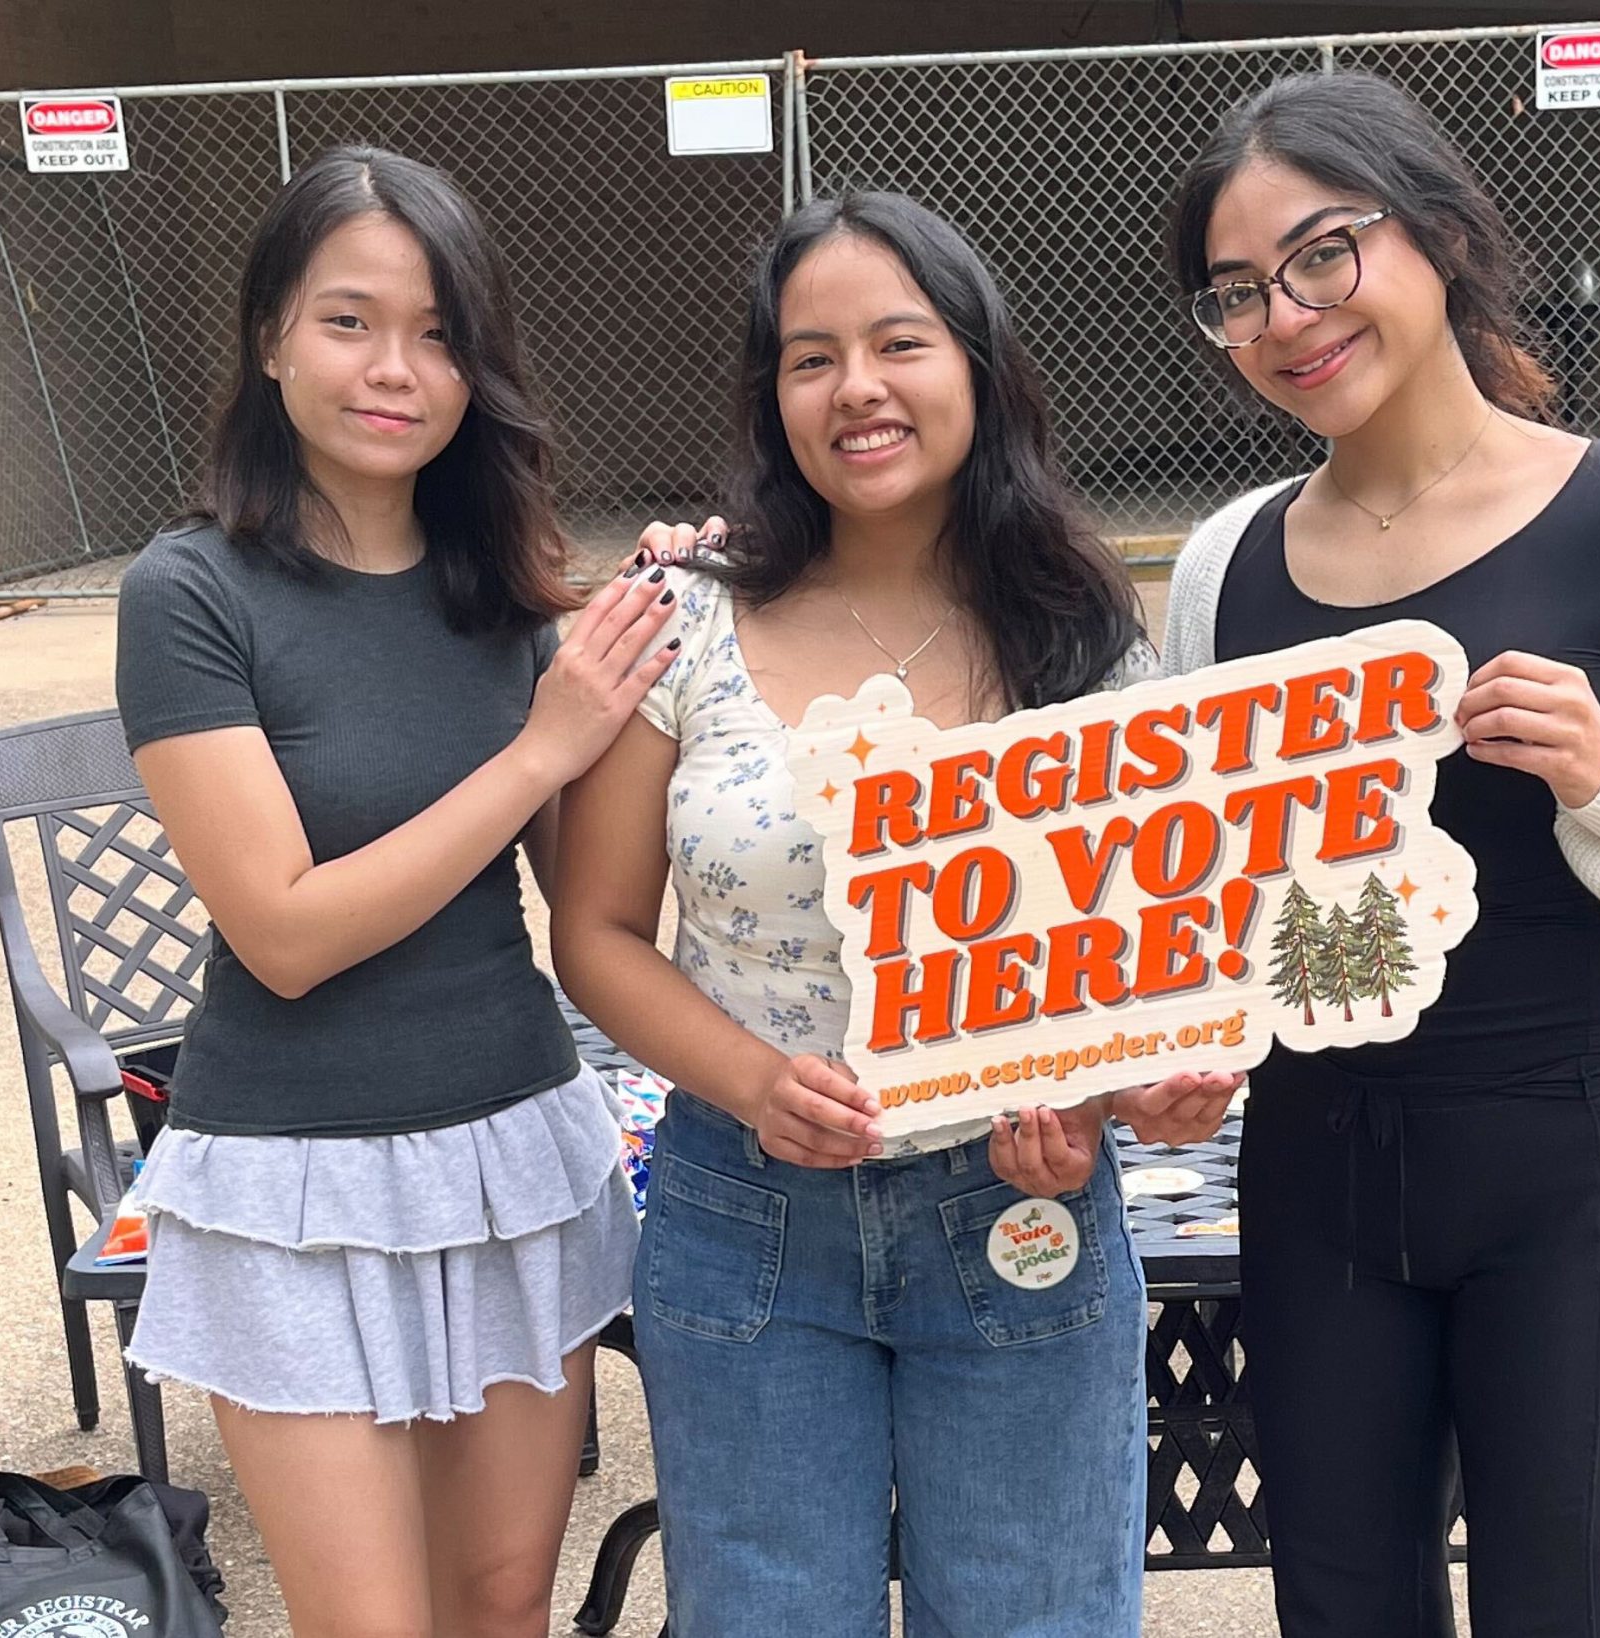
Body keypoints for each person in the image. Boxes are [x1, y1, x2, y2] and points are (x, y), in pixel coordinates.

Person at [1162, 72, 1600, 1636]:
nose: (1286, 317)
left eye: (1321, 253)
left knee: (1569, 1595)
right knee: (1344, 1600)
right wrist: (1160, 1043)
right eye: (1236, 294)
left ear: (1433, 230)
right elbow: (1185, 878)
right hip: (1313, 1161)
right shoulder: (1226, 566)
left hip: (1568, 1156)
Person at [551, 191, 1238, 1636]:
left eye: (897, 342)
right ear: (772, 395)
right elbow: (597, 930)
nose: (855, 387)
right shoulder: (684, 614)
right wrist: (752, 1079)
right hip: (747, 1219)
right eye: (811, 356)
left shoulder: (1081, 635)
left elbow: (1145, 965)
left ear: (977, 366)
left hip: (1021, 1207)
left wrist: (1140, 1087)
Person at [114, 147, 675, 1638]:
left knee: (501, 1607)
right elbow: (284, 932)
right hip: (290, 1178)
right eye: (350, 321)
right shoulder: (189, 592)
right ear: (271, 338)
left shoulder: (509, 585)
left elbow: (591, 901)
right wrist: (540, 746)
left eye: (438, 335)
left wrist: (661, 657)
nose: (396, 369)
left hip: (510, 1147)